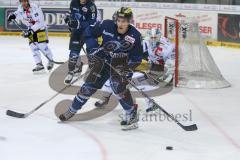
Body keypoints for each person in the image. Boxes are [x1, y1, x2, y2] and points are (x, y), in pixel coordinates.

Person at [59, 7, 143, 131]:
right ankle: (72, 110)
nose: (121, 23)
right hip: (103, 60)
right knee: (88, 86)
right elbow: (88, 32)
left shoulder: (135, 35)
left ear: (129, 21)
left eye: (124, 21)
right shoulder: (106, 25)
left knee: (118, 87)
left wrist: (128, 69)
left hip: (121, 65)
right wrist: (93, 48)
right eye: (119, 20)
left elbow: (136, 58)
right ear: (116, 20)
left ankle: (131, 113)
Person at [94, 28, 175, 113]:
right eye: (151, 37)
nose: (153, 40)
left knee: (138, 80)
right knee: (113, 78)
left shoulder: (166, 47)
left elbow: (171, 64)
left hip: (159, 72)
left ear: (159, 37)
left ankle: (151, 103)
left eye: (155, 38)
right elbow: (133, 53)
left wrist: (167, 75)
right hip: (149, 68)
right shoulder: (145, 42)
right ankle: (104, 98)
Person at [7, 0, 54, 73]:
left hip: (40, 28)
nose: (23, 3)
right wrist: (12, 15)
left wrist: (31, 31)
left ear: (28, 1)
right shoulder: (20, 8)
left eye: (25, 1)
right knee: (33, 47)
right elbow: (17, 13)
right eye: (22, 1)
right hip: (30, 29)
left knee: (42, 46)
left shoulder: (35, 7)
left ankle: (50, 60)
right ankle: (39, 64)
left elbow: (40, 22)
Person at [64, 0, 98, 85]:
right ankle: (71, 72)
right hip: (76, 32)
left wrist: (78, 24)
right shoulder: (73, 2)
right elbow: (71, 12)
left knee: (92, 52)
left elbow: (92, 22)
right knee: (73, 54)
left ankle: (93, 72)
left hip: (89, 32)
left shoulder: (92, 6)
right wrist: (68, 18)